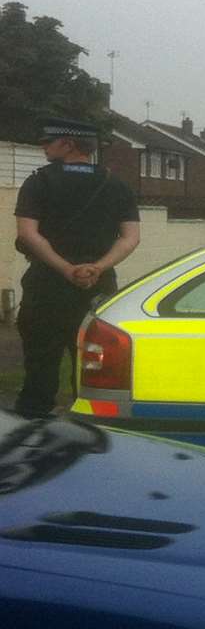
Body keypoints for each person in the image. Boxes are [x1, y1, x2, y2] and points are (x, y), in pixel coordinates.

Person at [12, 117, 140, 418]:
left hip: (46, 285)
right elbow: (130, 238)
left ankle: (33, 426)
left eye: (48, 141)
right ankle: (88, 426)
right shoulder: (116, 183)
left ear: (68, 144)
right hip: (98, 286)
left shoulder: (39, 181)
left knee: (41, 362)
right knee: (91, 362)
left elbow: (28, 234)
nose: (43, 146)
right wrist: (97, 267)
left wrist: (65, 269)